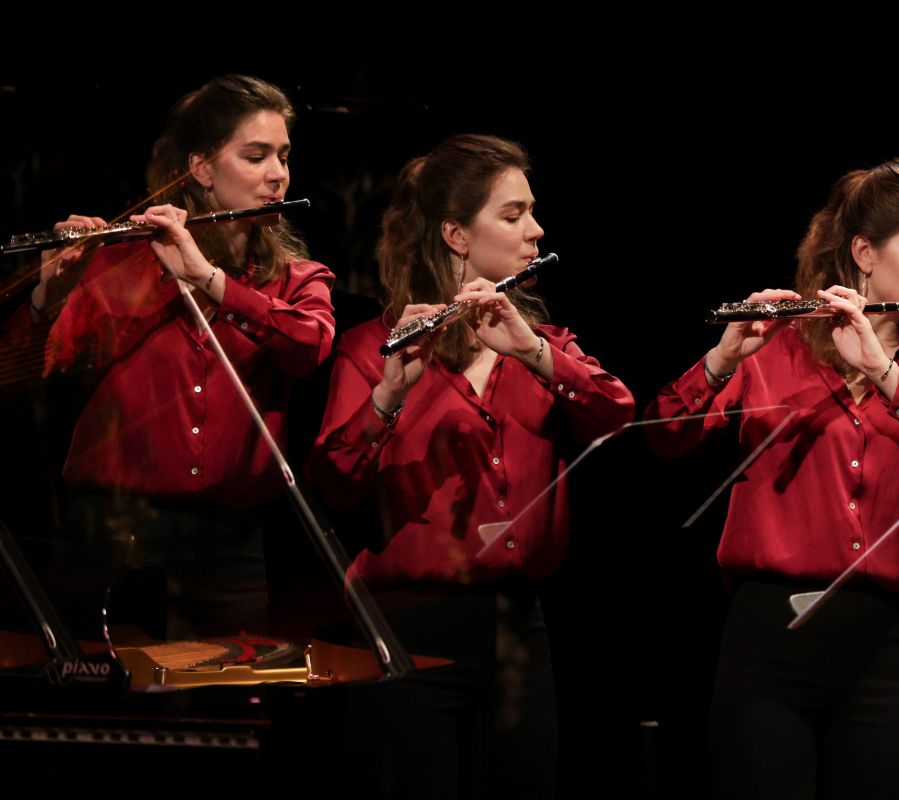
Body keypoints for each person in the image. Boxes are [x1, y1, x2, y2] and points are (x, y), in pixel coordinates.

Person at [645, 159, 899, 799]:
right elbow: (665, 436)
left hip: (889, 645)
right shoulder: (775, 349)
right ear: (864, 253)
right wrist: (722, 358)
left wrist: (885, 372)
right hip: (771, 640)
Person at [305, 134, 635, 798]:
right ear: (456, 235)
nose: (536, 230)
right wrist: (388, 397)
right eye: (514, 214)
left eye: (531, 212)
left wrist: (534, 352)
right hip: (407, 629)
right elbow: (334, 485)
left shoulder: (541, 344)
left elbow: (617, 415)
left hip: (517, 630)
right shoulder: (373, 348)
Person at [32, 75, 335, 640]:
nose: (278, 174)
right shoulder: (122, 261)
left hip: (230, 543)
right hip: (115, 535)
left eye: (284, 156)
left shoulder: (298, 279)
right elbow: (45, 366)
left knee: (228, 693)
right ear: (201, 169)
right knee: (111, 692)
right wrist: (50, 292)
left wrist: (209, 279)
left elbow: (309, 346)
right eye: (256, 156)